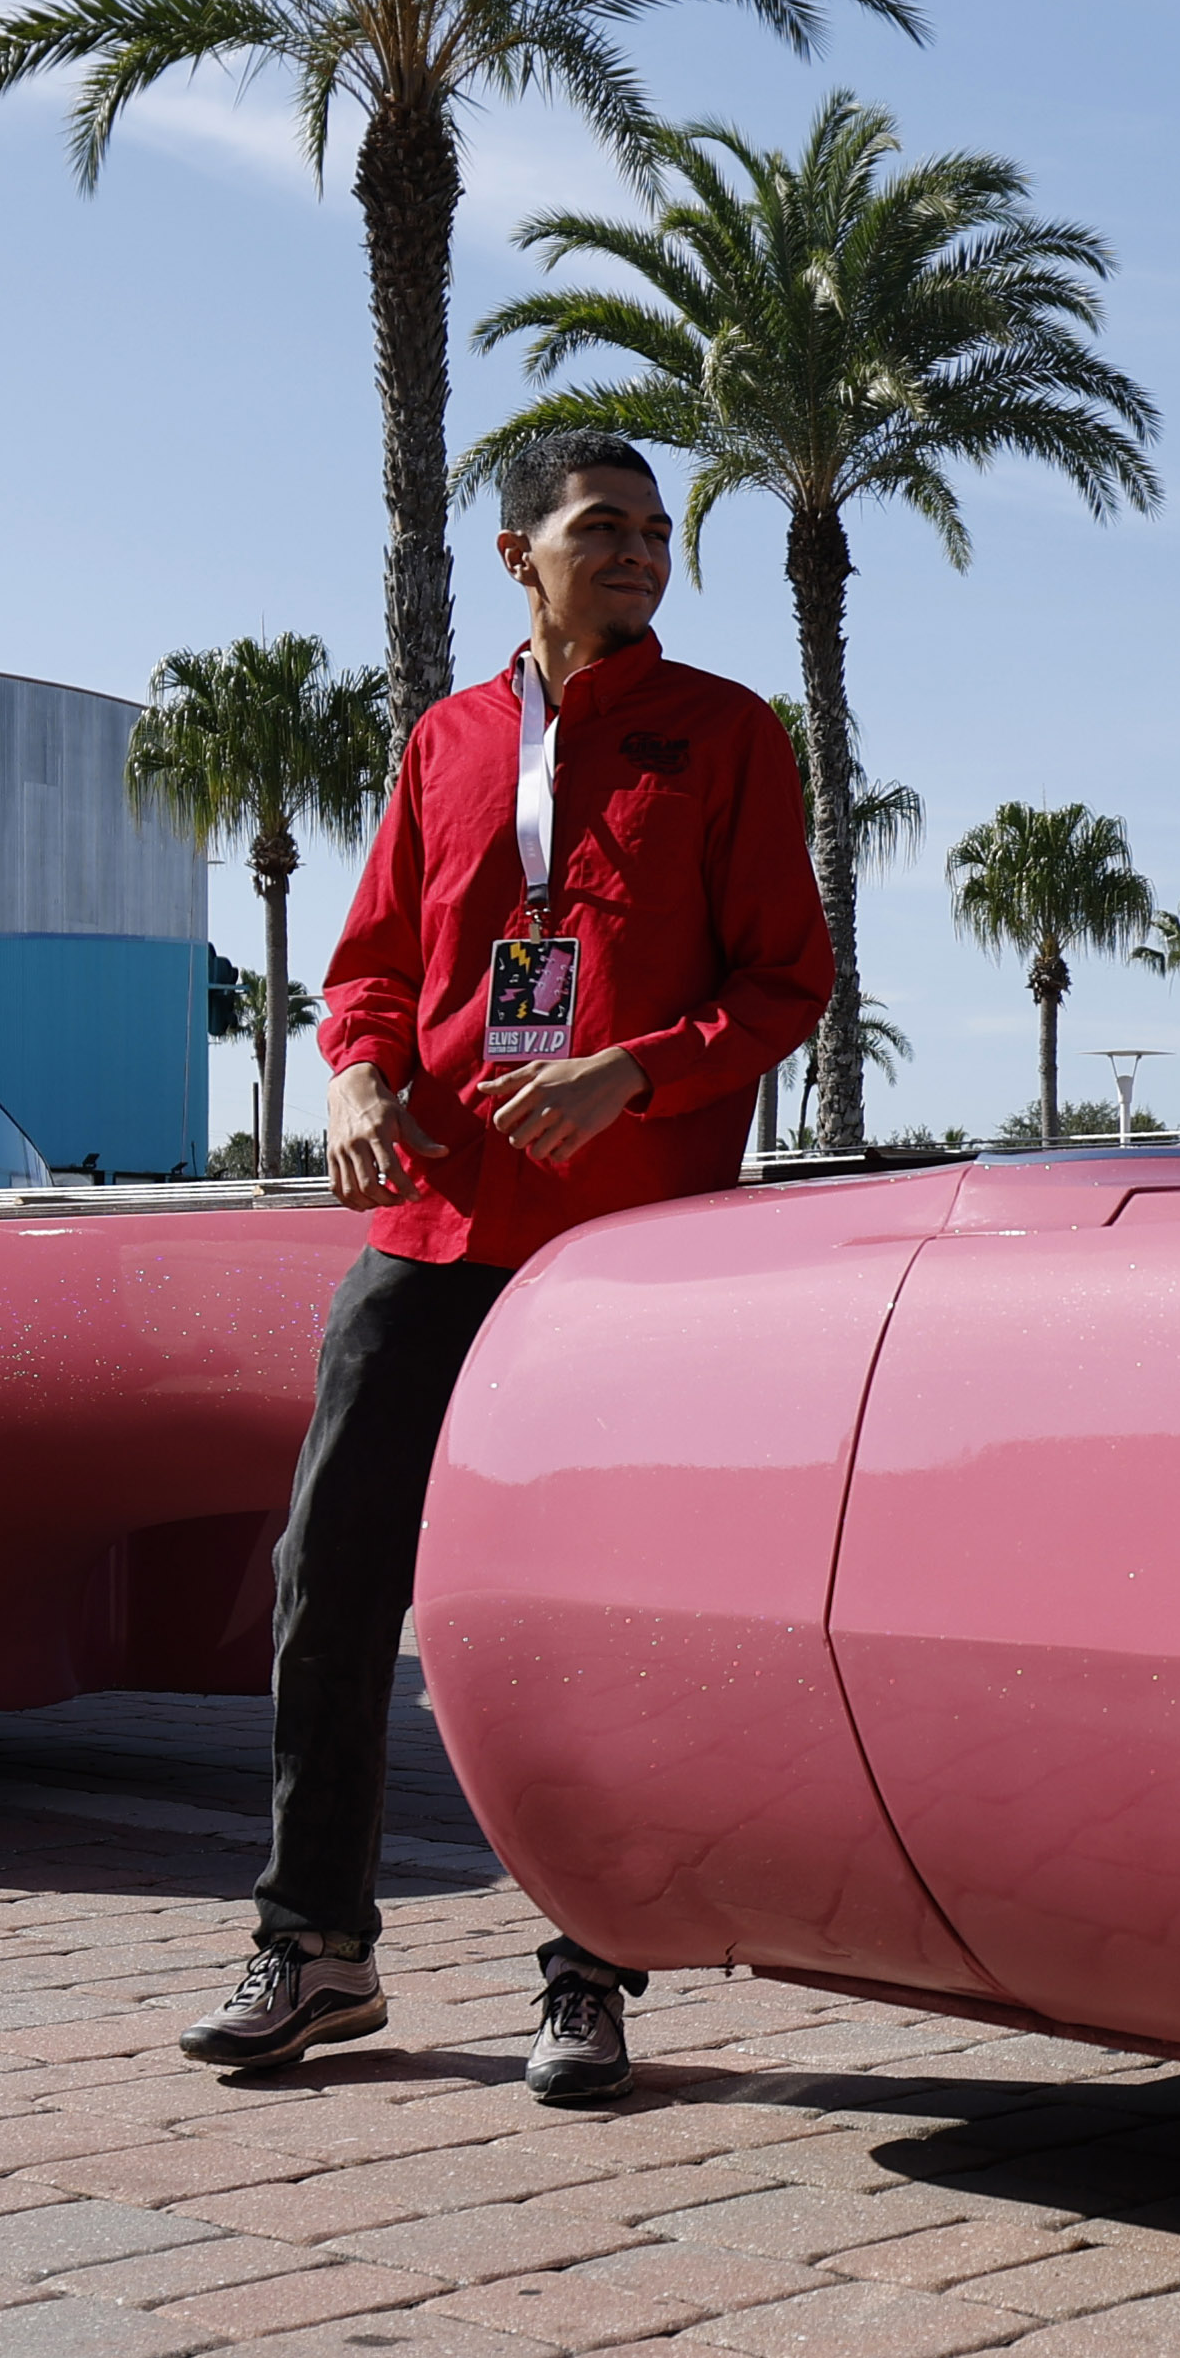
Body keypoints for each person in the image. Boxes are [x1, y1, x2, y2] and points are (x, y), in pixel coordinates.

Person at [179, 432, 832, 2102]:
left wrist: (638, 1073)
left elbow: (786, 981)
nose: (639, 553)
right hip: (437, 1220)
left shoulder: (729, 736)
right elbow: (370, 967)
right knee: (330, 1569)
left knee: (598, 1610)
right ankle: (315, 1947)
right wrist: (352, 1076)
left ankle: (588, 1971)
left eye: (655, 532)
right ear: (516, 555)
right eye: (601, 528)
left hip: (626, 1249)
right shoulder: (448, 743)